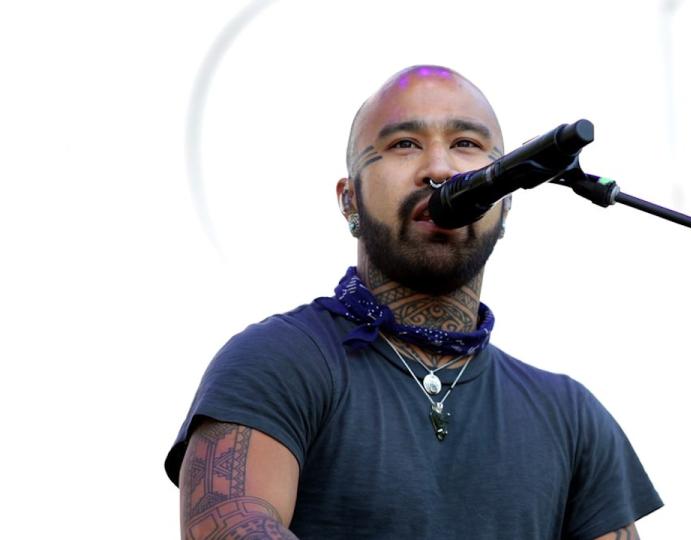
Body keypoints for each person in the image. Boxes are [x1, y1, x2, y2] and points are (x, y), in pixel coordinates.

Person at [165, 65, 662, 539]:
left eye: (466, 144)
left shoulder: (571, 415)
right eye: (404, 144)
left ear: (507, 200)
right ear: (349, 200)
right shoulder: (277, 361)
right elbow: (228, 525)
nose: (440, 168)